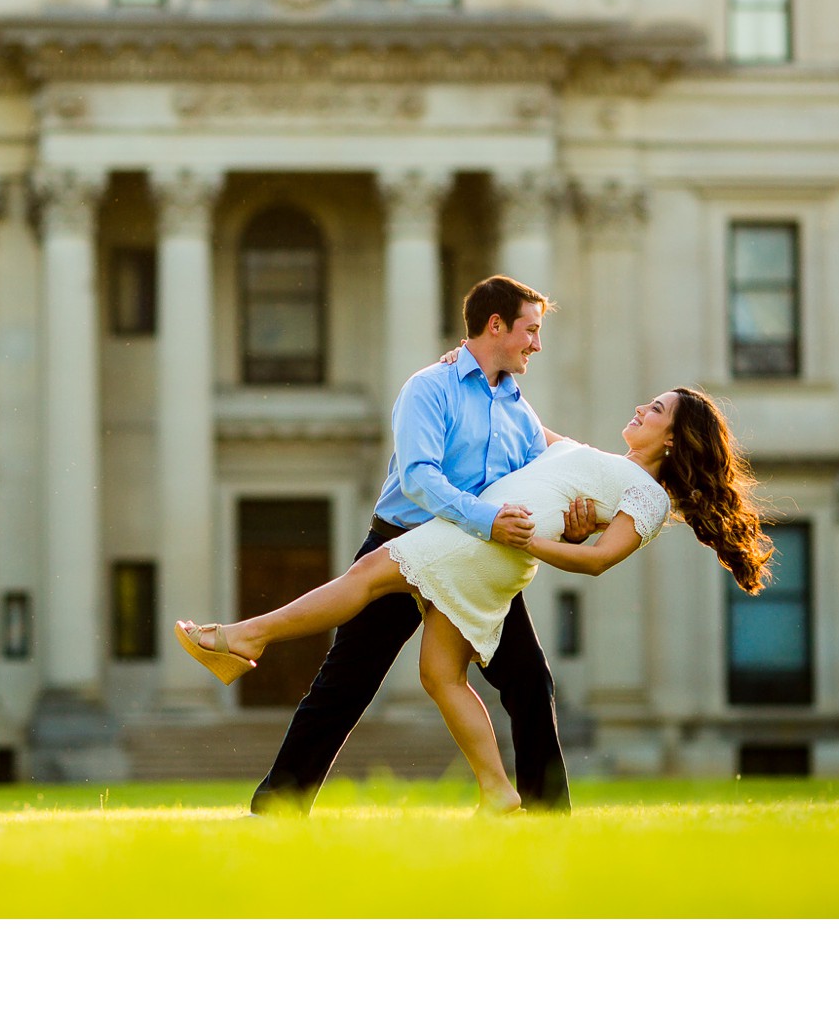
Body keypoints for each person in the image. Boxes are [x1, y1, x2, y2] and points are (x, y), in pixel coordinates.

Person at [179, 384, 773, 814]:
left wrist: (531, 538)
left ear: (674, 440)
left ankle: (243, 636)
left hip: (480, 544)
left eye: (657, 410)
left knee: (362, 580)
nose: (641, 407)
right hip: (486, 549)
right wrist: (457, 375)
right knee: (440, 674)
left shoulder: (647, 496)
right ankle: (498, 791)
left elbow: (597, 560)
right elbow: (527, 424)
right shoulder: (598, 461)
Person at [196, 276, 589, 816]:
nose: (537, 345)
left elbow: (542, 485)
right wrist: (489, 519)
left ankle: (547, 815)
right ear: (495, 325)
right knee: (345, 685)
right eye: (531, 331)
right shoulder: (429, 388)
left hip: (472, 554)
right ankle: (279, 807)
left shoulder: (520, 414)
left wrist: (577, 523)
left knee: (528, 681)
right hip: (404, 543)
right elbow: (419, 479)